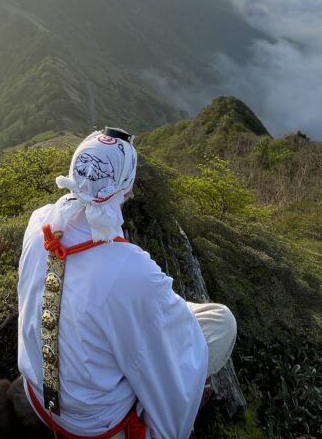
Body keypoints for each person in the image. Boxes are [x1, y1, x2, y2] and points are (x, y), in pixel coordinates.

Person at [13, 128, 236, 439]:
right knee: (221, 322)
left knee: (142, 315)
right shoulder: (132, 270)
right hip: (92, 425)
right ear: (127, 190)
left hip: (38, 395)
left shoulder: (40, 223)